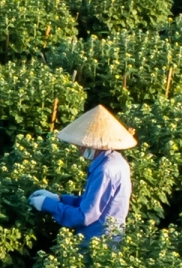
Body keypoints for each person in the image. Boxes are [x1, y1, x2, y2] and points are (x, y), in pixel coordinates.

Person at [29, 105, 136, 244]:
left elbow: (85, 216)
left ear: (93, 144)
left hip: (98, 242)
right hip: (107, 238)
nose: (79, 149)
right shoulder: (115, 160)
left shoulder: (104, 170)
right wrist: (59, 199)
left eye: (82, 145)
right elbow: (91, 202)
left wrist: (48, 204)